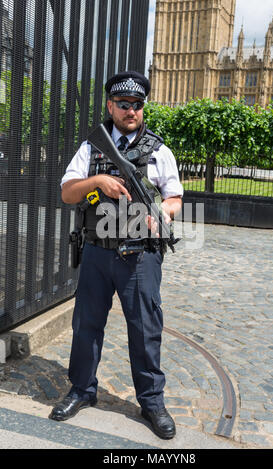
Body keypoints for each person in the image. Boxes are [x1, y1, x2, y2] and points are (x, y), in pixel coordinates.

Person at [49, 71, 183, 440]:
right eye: (124, 104)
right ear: (110, 106)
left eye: (138, 105)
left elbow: (175, 198)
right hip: (96, 252)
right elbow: (67, 193)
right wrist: (98, 182)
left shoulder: (159, 151)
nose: (131, 111)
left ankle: (152, 402)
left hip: (141, 257)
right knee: (86, 326)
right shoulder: (91, 148)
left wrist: (162, 213)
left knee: (145, 329)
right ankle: (81, 389)